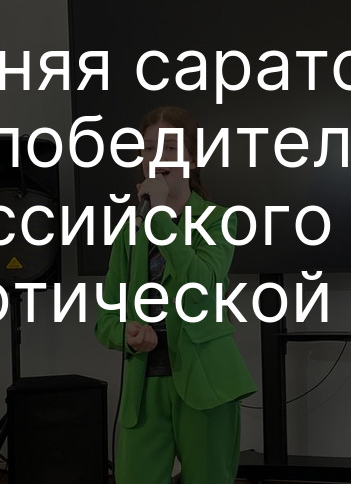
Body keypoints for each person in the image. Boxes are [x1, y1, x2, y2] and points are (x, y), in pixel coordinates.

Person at [95, 106, 256, 484]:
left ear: (192, 159)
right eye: (149, 148)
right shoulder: (129, 233)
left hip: (205, 381)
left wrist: (162, 219)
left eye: (170, 147)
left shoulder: (219, 220)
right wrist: (128, 334)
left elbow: (201, 287)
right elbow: (106, 321)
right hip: (144, 385)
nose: (157, 157)